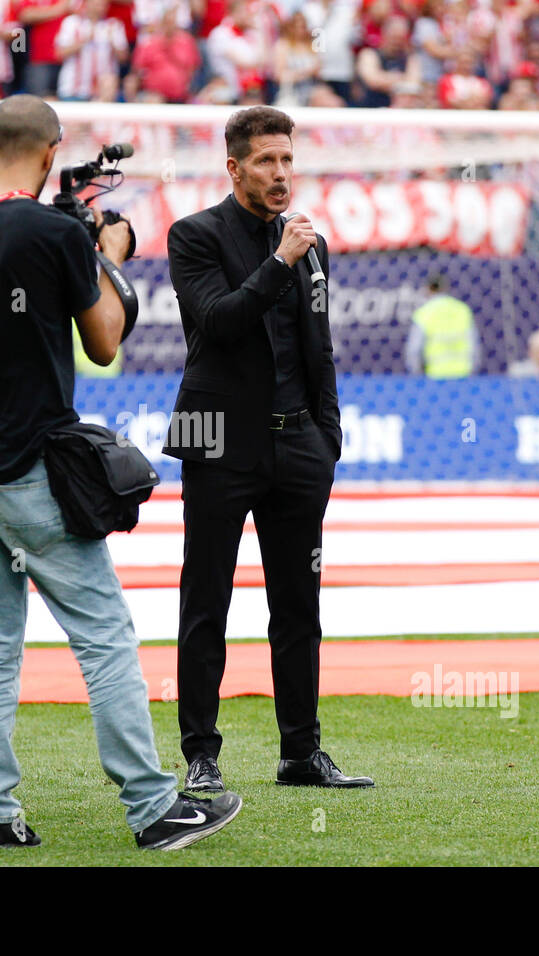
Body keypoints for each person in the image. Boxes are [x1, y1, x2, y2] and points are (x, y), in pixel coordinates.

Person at [0, 94, 241, 851]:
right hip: (31, 465)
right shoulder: (54, 230)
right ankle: (153, 805)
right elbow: (103, 340)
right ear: (52, 151)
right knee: (103, 634)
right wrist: (110, 258)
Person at [163, 106, 373, 794]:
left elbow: (322, 349)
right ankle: (201, 755)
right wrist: (279, 262)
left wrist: (327, 440)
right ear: (234, 168)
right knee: (206, 600)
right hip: (216, 439)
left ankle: (300, 754)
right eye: (265, 162)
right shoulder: (193, 236)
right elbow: (219, 323)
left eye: (287, 160)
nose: (280, 175)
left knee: (298, 605)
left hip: (299, 447)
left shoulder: (310, 242)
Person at [406, 274, 479, 378]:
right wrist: (473, 371)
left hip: (435, 375)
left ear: (428, 289)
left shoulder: (424, 313)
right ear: (445, 288)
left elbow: (414, 350)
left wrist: (417, 374)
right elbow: (474, 345)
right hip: (463, 374)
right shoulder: (462, 310)